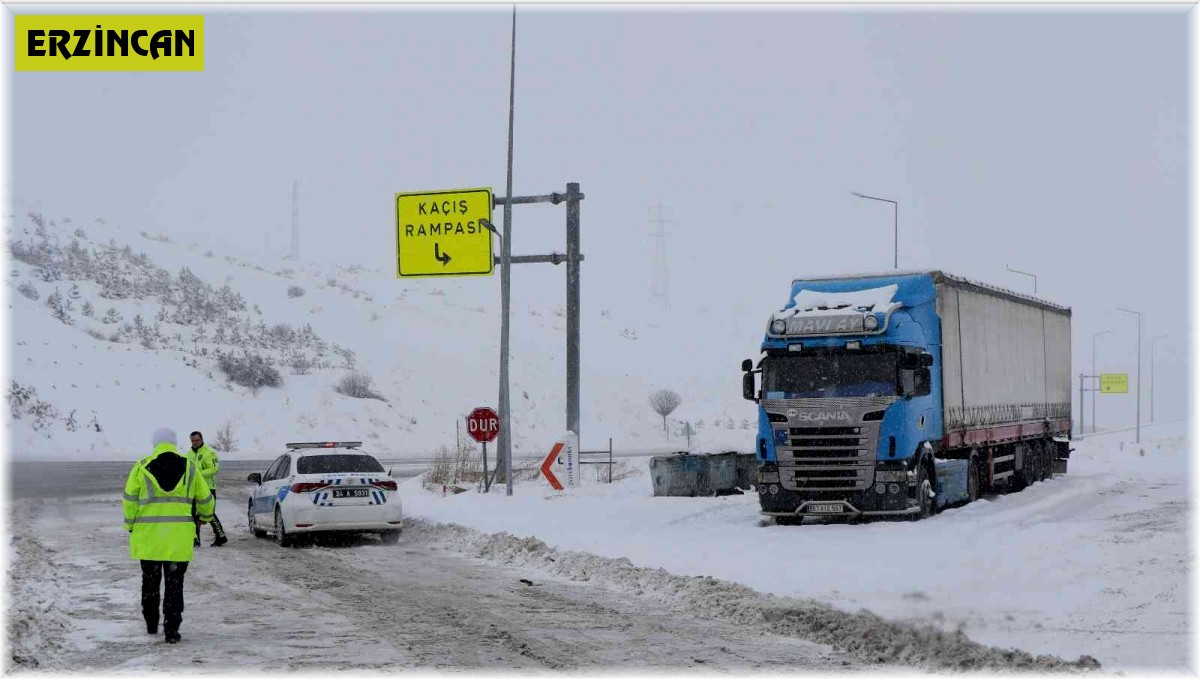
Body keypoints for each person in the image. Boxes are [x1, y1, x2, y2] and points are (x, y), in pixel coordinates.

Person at [123, 427, 215, 644]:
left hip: (149, 539)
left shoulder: (140, 467)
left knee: (150, 582)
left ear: (155, 444)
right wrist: (205, 516)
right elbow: (205, 498)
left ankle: (151, 623)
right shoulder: (191, 467)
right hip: (178, 539)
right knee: (175, 585)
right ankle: (172, 630)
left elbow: (129, 500)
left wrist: (130, 525)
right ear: (174, 443)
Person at [189, 430, 227, 547]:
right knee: (192, 513)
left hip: (208, 488)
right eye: (193, 440)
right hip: (193, 489)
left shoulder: (210, 453)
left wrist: (198, 473)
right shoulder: (188, 454)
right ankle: (195, 539)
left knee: (209, 513)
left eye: (197, 440)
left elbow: (214, 470)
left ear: (201, 439)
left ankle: (221, 536)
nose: (195, 442)